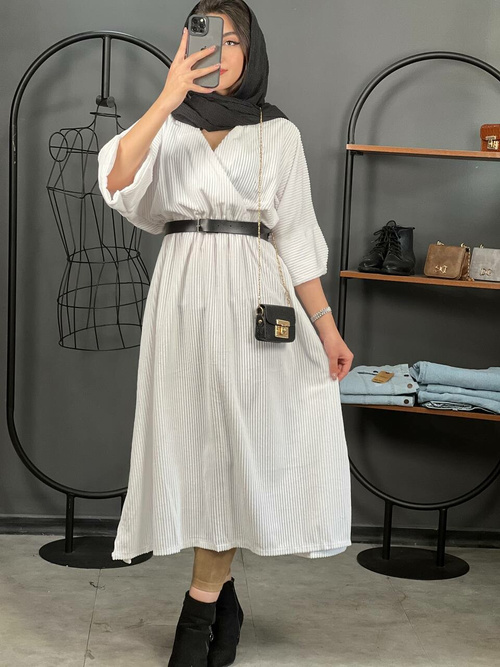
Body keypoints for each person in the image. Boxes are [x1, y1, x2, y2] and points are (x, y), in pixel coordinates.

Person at [97, 1, 354, 665]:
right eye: (208, 37)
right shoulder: (167, 124)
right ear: (188, 46)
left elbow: (296, 237)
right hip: (183, 295)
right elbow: (118, 179)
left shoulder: (279, 132)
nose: (222, 51)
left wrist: (327, 329)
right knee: (194, 447)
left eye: (233, 40)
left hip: (254, 297)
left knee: (237, 450)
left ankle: (198, 611)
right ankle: (225, 598)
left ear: (251, 51)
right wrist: (165, 98)